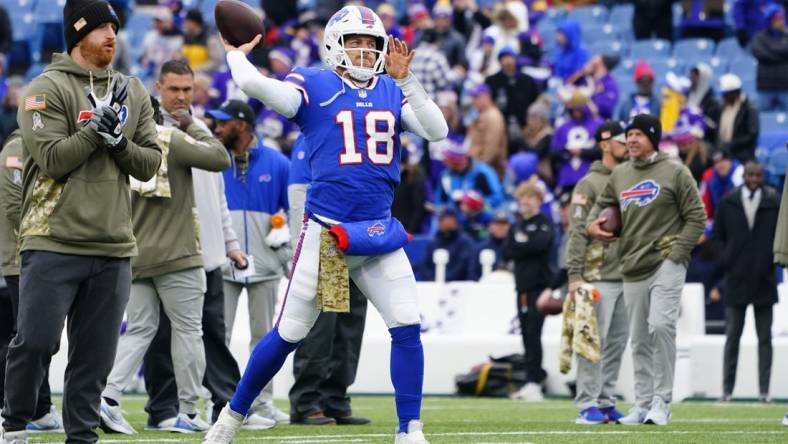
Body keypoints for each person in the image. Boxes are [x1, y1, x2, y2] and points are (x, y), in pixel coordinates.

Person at [203, 5, 448, 443]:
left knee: (407, 323)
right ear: (336, 43)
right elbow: (255, 85)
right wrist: (236, 54)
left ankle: (410, 429)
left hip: (376, 230)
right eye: (354, 41)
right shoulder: (314, 83)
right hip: (327, 234)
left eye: (370, 43)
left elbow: (437, 130)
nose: (362, 50)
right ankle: (231, 418)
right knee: (290, 333)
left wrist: (407, 79)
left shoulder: (392, 90)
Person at [1, 0, 162, 441]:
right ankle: (14, 422)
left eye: (114, 26)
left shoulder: (133, 89)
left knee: (94, 359)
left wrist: (117, 143)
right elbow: (52, 160)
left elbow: (149, 163)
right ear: (77, 35)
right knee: (34, 343)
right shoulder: (45, 89)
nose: (112, 35)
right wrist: (96, 131)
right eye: (101, 28)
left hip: (112, 244)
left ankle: (81, 437)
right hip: (53, 238)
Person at [136, 60, 272, 431]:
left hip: (207, 251)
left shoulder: (202, 132)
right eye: (174, 89)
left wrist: (230, 242)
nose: (181, 96)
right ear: (159, 87)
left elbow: (217, 194)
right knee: (163, 334)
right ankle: (162, 410)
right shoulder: (146, 129)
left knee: (212, 331)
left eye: (187, 89)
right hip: (168, 248)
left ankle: (227, 407)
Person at [99, 91, 232, 434]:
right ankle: (188, 410)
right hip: (178, 254)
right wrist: (194, 125)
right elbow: (220, 158)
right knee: (189, 330)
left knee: (139, 330)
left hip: (136, 253)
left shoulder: (119, 145)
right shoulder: (171, 138)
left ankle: (109, 396)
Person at [587, 114, 706, 426]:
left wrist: (677, 253)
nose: (632, 140)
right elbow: (600, 207)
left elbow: (697, 217)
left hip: (666, 262)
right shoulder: (621, 174)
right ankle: (641, 404)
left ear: (654, 137)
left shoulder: (675, 171)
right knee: (639, 339)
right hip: (632, 265)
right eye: (629, 134)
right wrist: (593, 226)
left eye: (639, 134)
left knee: (661, 326)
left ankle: (661, 402)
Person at [208, 99, 292, 425]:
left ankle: (261, 403)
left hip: (266, 264)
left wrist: (286, 255)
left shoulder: (278, 163)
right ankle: (217, 402)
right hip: (223, 262)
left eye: (223, 122)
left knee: (265, 339)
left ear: (242, 125)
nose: (217, 128)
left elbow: (293, 212)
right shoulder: (212, 160)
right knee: (219, 338)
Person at [286, 135, 370, 425]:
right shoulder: (314, 134)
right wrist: (302, 249)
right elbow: (299, 194)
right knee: (322, 327)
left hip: (359, 238)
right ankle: (306, 401)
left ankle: (336, 397)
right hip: (327, 243)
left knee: (350, 326)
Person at [566, 121, 630, 424]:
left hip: (627, 273)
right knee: (592, 341)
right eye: (621, 140)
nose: (627, 144)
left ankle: (605, 400)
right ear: (605, 144)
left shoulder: (631, 178)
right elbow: (577, 231)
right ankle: (587, 402)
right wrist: (575, 275)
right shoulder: (589, 184)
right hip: (596, 273)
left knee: (616, 343)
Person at [0, 132, 63, 434]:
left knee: (35, 335)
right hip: (21, 257)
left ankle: (39, 408)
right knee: (28, 336)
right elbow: (14, 205)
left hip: (33, 254)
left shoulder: (40, 144)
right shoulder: (17, 146)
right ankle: (24, 409)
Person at [710, 161, 779, 403]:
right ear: (743, 176)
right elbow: (717, 236)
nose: (754, 178)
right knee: (732, 338)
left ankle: (764, 392)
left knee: (765, 340)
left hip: (764, 279)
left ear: (763, 176)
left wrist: (772, 262)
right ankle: (727, 391)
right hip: (736, 278)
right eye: (750, 174)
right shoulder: (729, 202)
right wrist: (726, 258)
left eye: (758, 174)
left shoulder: (774, 201)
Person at [505, 182, 554, 402]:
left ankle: (535, 382)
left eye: (530, 197)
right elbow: (506, 250)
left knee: (534, 334)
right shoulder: (516, 226)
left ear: (539, 201)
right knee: (526, 335)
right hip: (521, 288)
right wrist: (523, 246)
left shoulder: (544, 223)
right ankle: (530, 380)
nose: (525, 201)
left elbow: (540, 246)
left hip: (538, 288)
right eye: (522, 197)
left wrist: (521, 246)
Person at [485, 46, 539, 136]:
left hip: (524, 124)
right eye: (504, 58)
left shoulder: (527, 80)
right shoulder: (492, 80)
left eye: (510, 57)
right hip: (500, 124)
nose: (507, 61)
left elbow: (535, 100)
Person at [751, 3, 788, 111]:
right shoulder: (759, 37)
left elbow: (767, 54)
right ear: (770, 19)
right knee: (763, 121)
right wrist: (783, 55)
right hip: (765, 87)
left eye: (782, 17)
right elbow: (761, 54)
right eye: (777, 18)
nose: (781, 21)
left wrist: (771, 51)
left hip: (786, 86)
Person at [715, 74, 759, 164]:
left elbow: (752, 135)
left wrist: (731, 144)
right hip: (724, 153)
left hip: (742, 155)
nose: (723, 97)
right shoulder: (722, 108)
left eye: (725, 94)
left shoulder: (749, 109)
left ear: (735, 92)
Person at [467, 83, 507, 178]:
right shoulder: (481, 113)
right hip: (476, 165)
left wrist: (481, 167)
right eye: (473, 97)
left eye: (476, 97)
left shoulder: (493, 116)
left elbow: (492, 146)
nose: (473, 101)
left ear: (487, 96)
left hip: (488, 170)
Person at [468, 210, 512, 281]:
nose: (500, 227)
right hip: (484, 289)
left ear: (509, 227)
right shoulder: (480, 248)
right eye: (497, 224)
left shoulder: (515, 247)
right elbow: (472, 274)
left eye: (504, 224)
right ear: (490, 226)